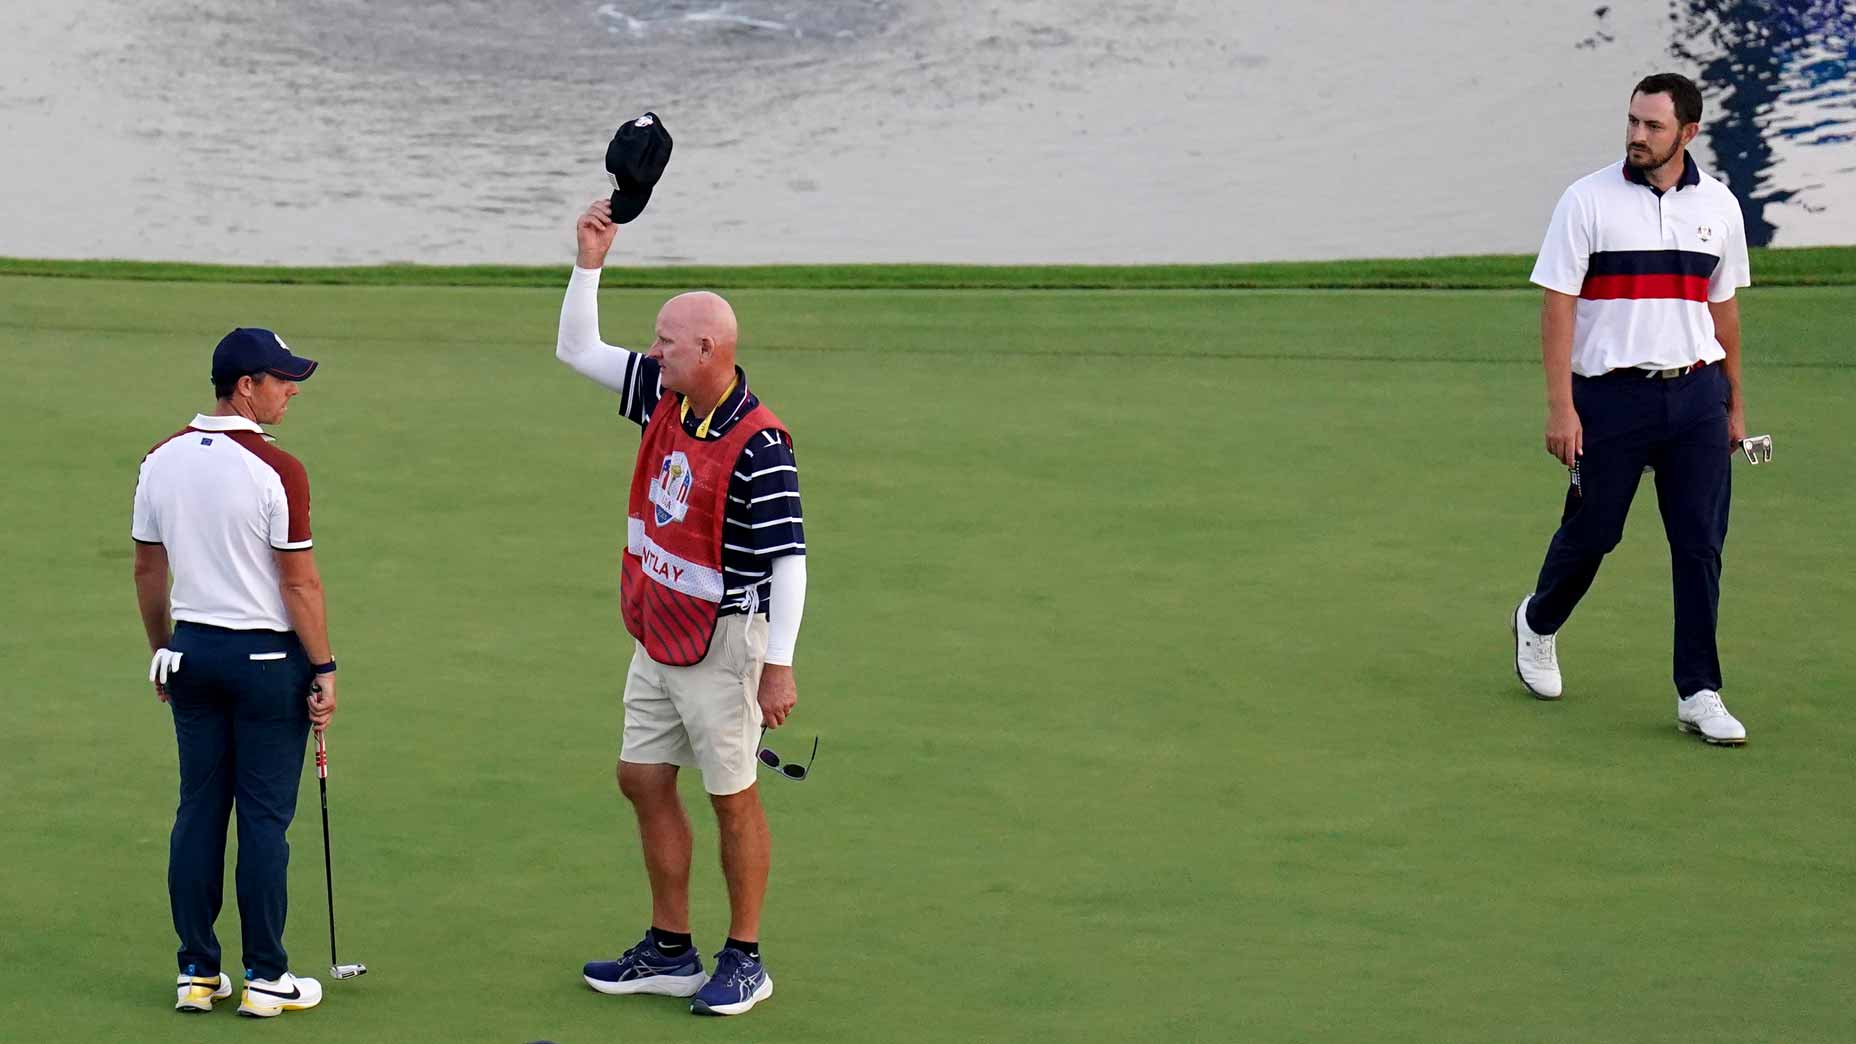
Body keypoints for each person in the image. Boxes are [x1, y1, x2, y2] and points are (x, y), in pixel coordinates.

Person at [556, 198, 809, 1016]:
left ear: (709, 348)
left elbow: (789, 560)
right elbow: (576, 348)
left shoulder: (758, 440)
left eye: (666, 340)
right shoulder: (665, 396)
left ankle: (745, 958)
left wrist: (778, 665)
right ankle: (670, 948)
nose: (652, 349)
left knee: (732, 795)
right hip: (660, 633)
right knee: (641, 776)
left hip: (729, 642)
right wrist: (591, 256)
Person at [1511, 73, 1752, 745]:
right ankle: (1537, 622)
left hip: (1698, 395)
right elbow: (1558, 306)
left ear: (1689, 133)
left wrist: (1735, 406)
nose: (1636, 136)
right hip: (1610, 397)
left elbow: (1723, 310)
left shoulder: (1721, 208)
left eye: (1652, 126)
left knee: (1700, 545)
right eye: (1632, 122)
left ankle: (1699, 691)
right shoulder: (1586, 200)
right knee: (1595, 534)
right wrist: (1562, 408)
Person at [131, 328, 341, 1015]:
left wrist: (164, 649)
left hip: (191, 654)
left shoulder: (159, 459)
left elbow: (147, 569)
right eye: (281, 379)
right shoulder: (279, 469)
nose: (292, 390)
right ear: (244, 387)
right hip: (264, 663)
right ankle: (266, 978)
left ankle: (196, 972)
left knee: (197, 812)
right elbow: (301, 585)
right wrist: (324, 667)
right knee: (262, 820)